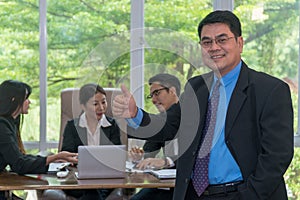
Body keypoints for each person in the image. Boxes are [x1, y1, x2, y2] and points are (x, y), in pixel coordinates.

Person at [112, 10, 294, 200]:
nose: (214, 47)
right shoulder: (196, 87)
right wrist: (135, 115)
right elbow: (169, 126)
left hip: (244, 194)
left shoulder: (270, 89)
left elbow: (277, 156)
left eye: (222, 40)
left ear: (240, 43)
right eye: (207, 42)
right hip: (194, 194)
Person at [0, 80, 78, 200]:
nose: (29, 102)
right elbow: (19, 164)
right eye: (26, 98)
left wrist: (51, 160)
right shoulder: (2, 126)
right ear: (13, 100)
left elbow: (19, 157)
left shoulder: (9, 123)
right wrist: (55, 157)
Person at [61, 83, 121, 200]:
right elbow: (67, 154)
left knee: (94, 192)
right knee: (93, 192)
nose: (101, 108)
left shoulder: (112, 125)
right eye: (95, 104)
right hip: (78, 178)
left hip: (104, 178)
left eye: (104, 102)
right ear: (83, 106)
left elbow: (116, 154)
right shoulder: (72, 126)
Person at [129, 73, 180, 200]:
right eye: (151, 95)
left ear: (172, 91)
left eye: (157, 93)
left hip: (186, 187)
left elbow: (197, 156)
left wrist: (165, 161)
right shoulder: (161, 121)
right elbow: (148, 153)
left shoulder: (191, 116)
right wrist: (139, 157)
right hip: (164, 185)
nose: (153, 100)